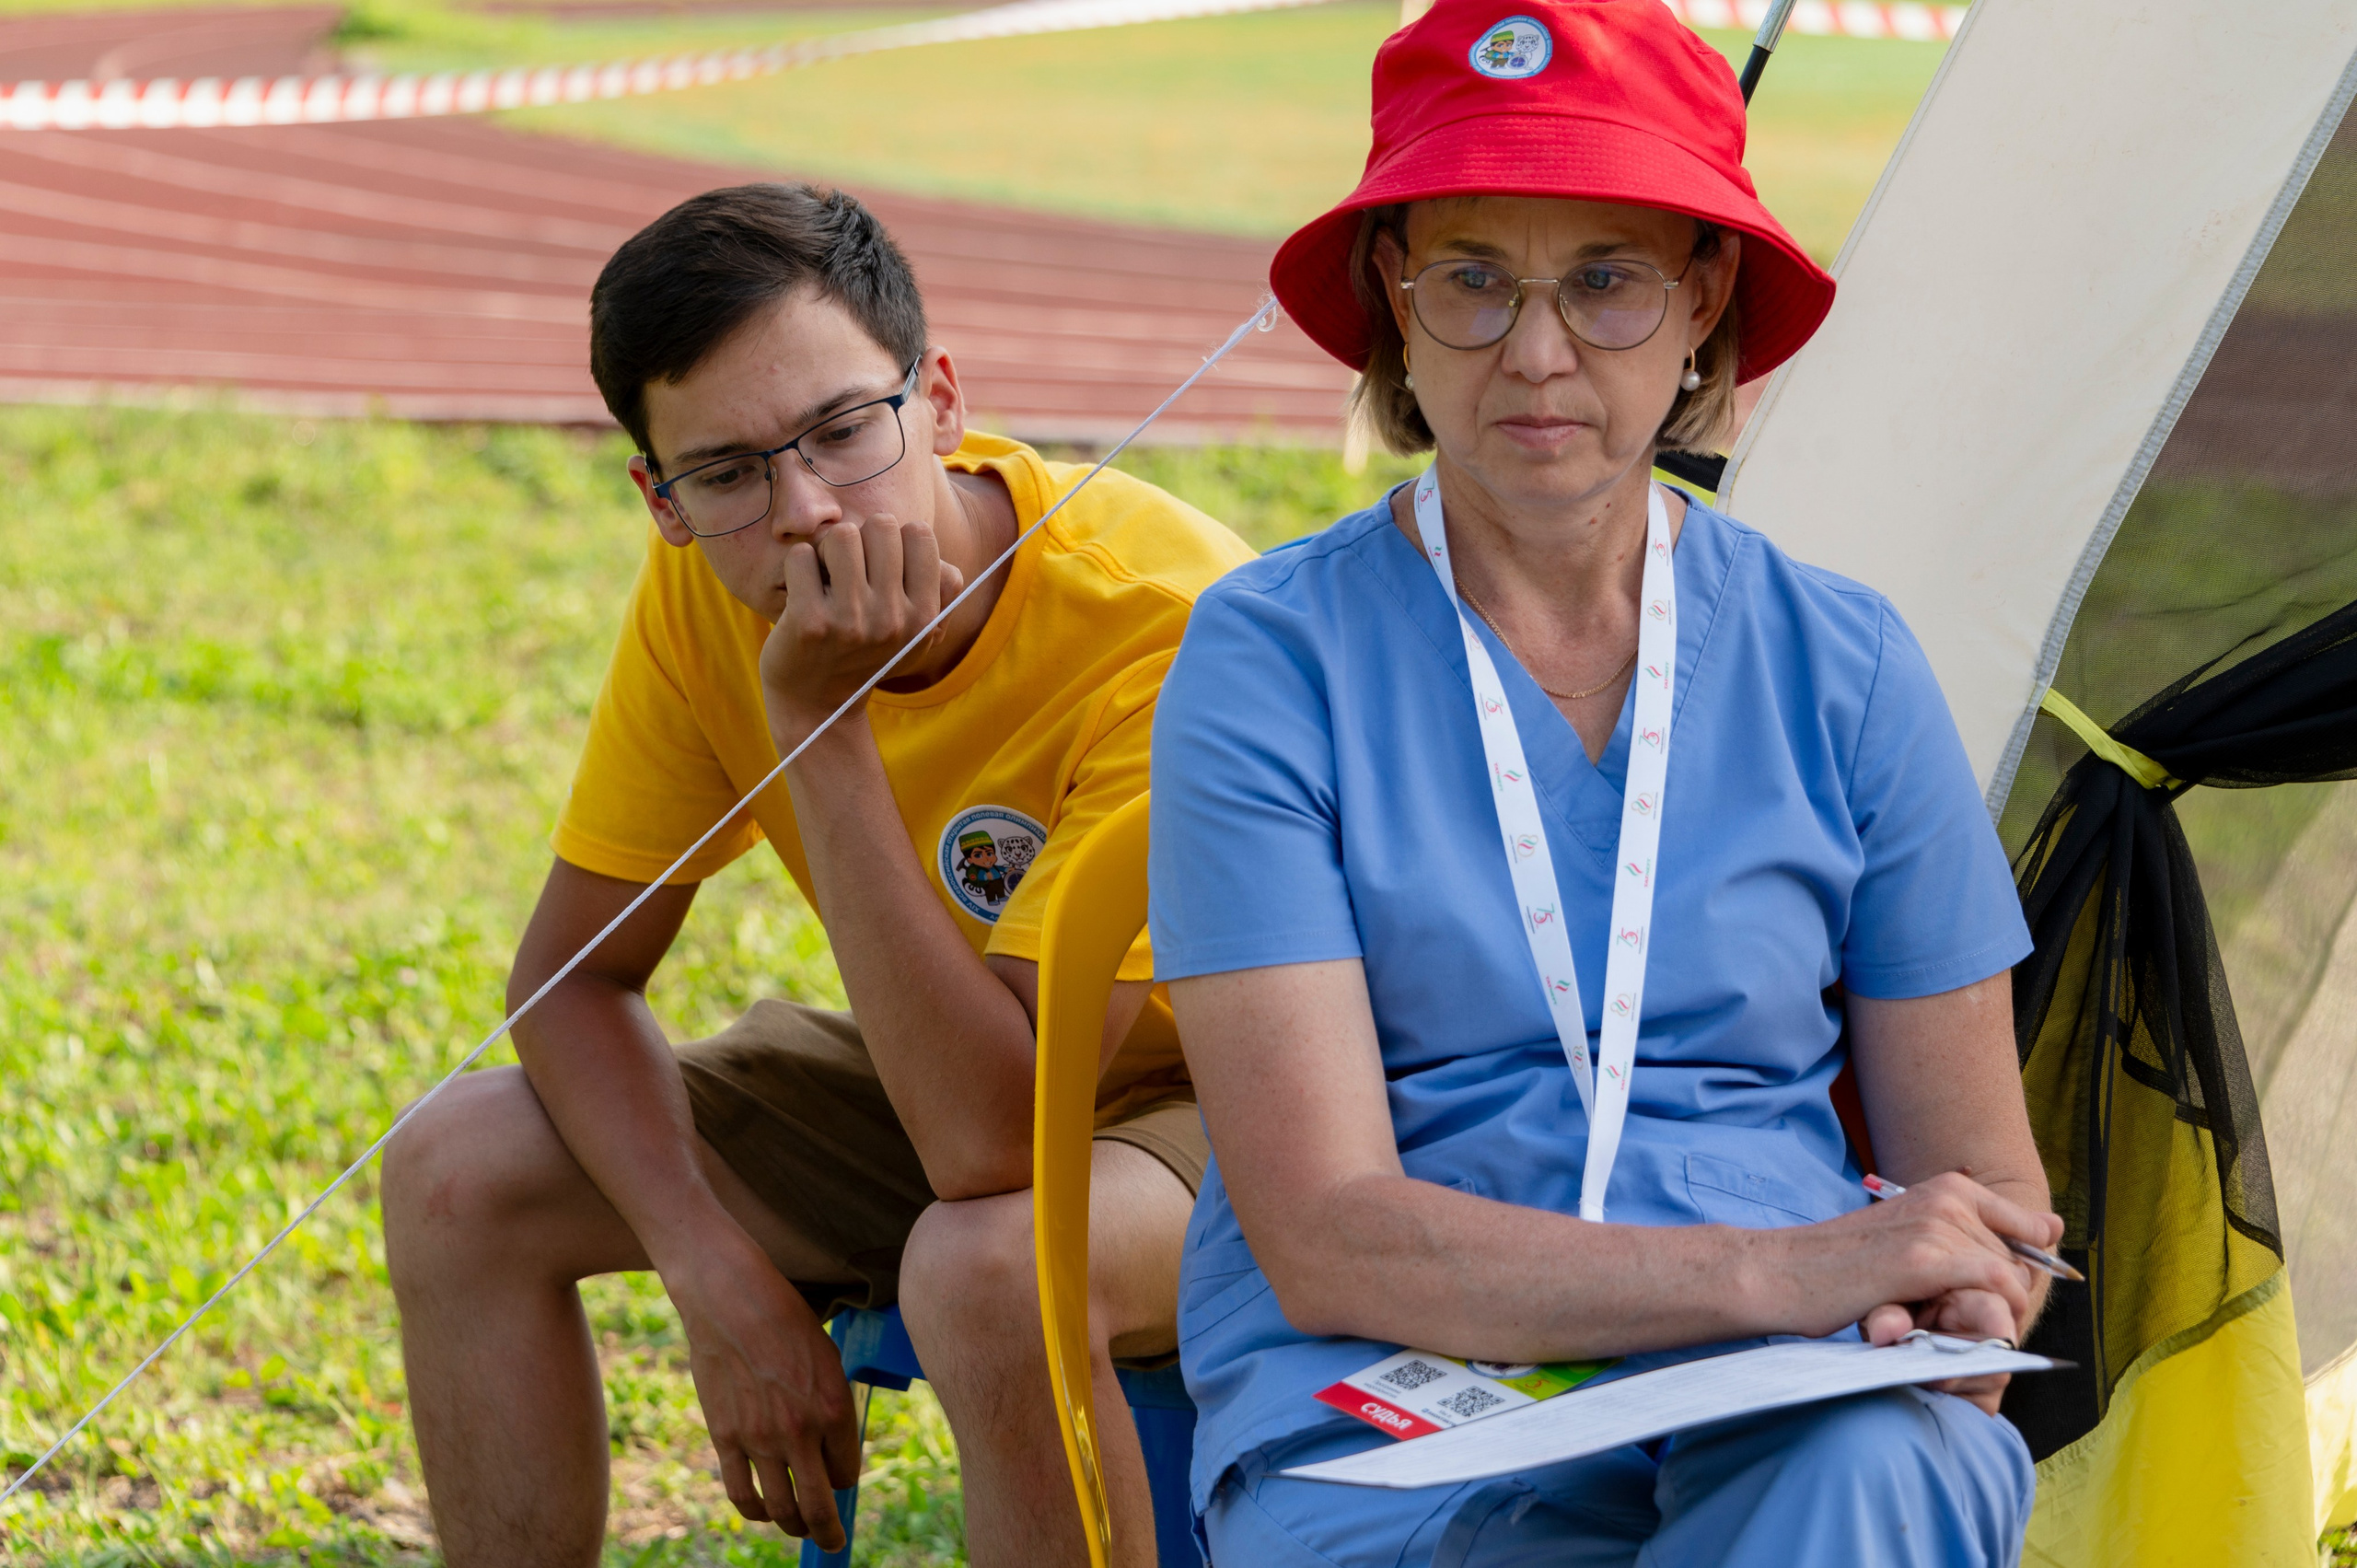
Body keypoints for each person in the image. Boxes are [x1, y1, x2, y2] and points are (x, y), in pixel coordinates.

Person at [1146, 3, 2065, 1562]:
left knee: (1866, 1474)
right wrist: (1791, 1273)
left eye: (1607, 279)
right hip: (1386, 1408)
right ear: (1397, 291)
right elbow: (1324, 1239)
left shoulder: (1842, 664)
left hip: (1786, 1399)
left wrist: (1966, 1281)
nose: (1538, 349)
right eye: (1475, 278)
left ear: (1706, 297)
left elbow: (1981, 1185)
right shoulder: (1271, 657)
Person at [381, 182, 1252, 1567]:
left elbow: (990, 1149)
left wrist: (822, 732)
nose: (803, 513)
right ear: (659, 501)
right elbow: (567, 979)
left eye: (846, 433)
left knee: (986, 1274)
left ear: (943, 401)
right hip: (979, 1068)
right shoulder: (712, 589)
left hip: (1254, 1100)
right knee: (457, 1167)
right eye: (726, 472)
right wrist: (711, 1270)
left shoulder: (1168, 623)